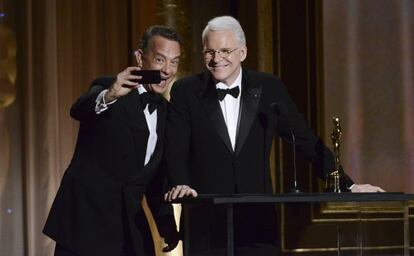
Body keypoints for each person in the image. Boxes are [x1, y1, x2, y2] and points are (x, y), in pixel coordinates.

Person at [164, 16, 384, 256]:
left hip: (257, 222)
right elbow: (175, 147)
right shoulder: (186, 90)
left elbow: (304, 139)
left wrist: (346, 183)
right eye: (210, 52)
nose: (217, 59)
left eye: (225, 50)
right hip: (205, 221)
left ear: (243, 52)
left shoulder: (268, 87)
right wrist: (180, 182)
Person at [43, 25, 181, 256]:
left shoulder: (167, 112)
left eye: (174, 62)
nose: (167, 70)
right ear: (140, 58)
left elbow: (157, 179)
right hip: (85, 224)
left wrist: (167, 226)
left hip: (128, 226)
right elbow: (79, 110)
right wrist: (109, 95)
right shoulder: (109, 88)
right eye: (160, 59)